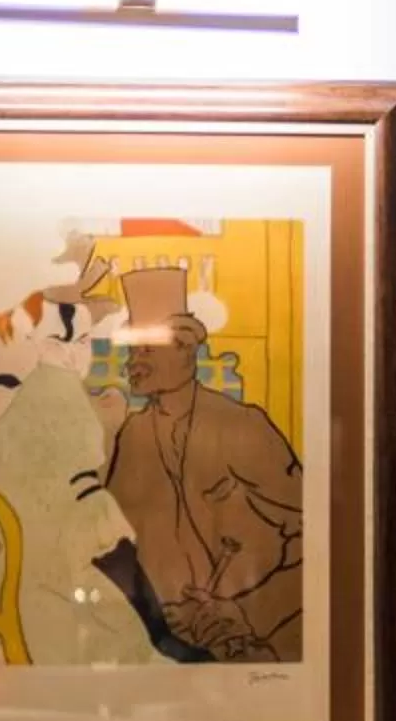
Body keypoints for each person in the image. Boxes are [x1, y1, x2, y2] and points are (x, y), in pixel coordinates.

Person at [100, 265, 306, 663]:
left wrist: (248, 612)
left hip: (255, 645)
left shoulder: (243, 426)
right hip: (162, 645)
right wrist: (150, 613)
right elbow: (115, 541)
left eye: (145, 349)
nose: (133, 364)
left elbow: (314, 538)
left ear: (184, 348)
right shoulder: (135, 433)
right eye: (131, 351)